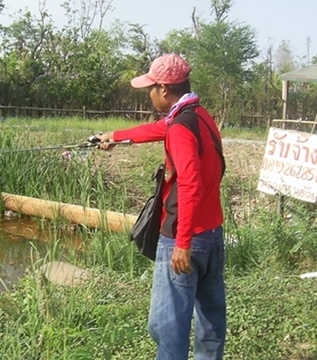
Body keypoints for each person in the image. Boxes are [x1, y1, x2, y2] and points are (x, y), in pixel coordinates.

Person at [96, 53, 226, 360]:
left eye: (151, 89)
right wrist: (116, 137)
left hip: (186, 240)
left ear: (165, 89)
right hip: (211, 235)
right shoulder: (198, 116)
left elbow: (190, 183)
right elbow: (158, 129)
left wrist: (182, 243)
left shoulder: (181, 127)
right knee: (210, 323)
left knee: (167, 329)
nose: (150, 95)